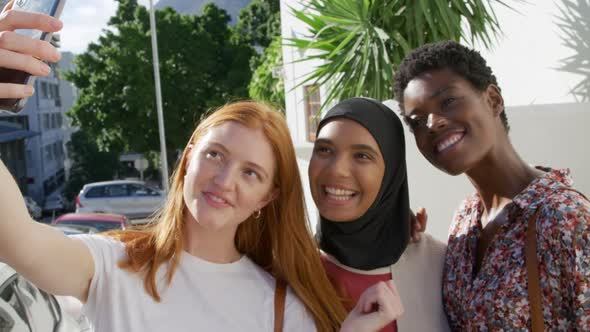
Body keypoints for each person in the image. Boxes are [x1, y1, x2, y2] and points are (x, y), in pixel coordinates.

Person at [0, 3, 404, 332]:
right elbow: (16, 239)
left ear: (269, 196)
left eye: (251, 173)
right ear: (188, 156)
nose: (224, 181)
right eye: (215, 155)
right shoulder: (112, 264)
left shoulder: (284, 310)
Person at [393, 40, 590, 330]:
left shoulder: (565, 219)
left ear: (493, 100)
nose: (432, 124)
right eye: (417, 121)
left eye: (447, 102)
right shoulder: (465, 220)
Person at [308, 97, 450, 331]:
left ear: (391, 174)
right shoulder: (289, 271)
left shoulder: (439, 266)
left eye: (362, 155)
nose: (336, 170)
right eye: (324, 149)